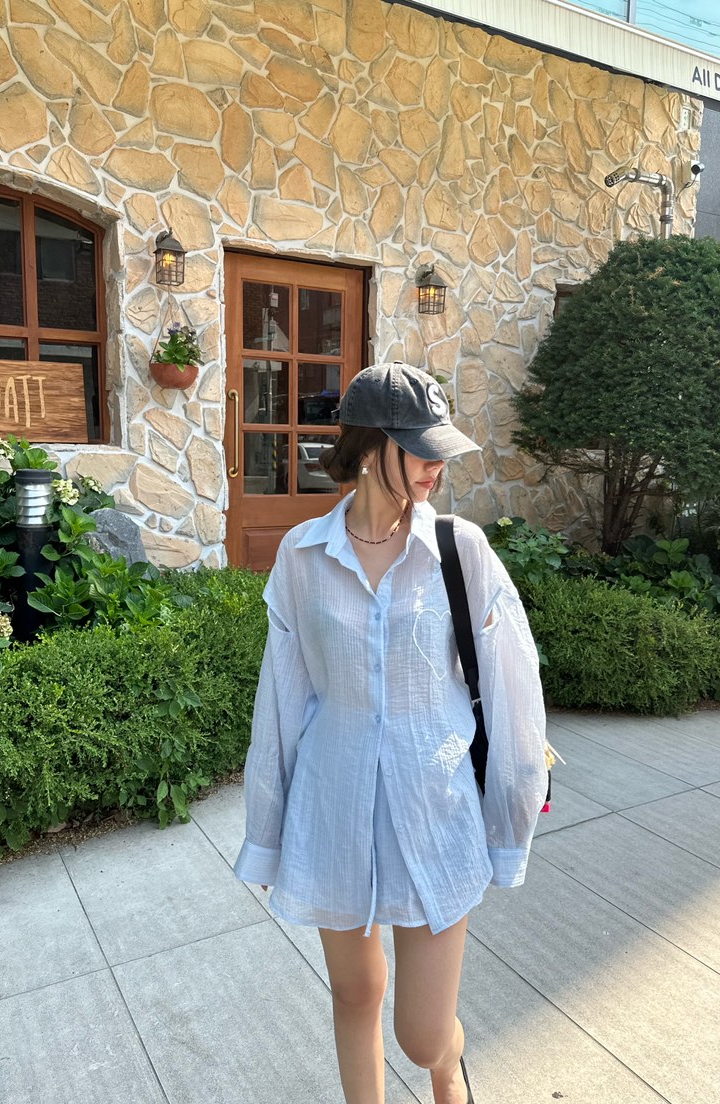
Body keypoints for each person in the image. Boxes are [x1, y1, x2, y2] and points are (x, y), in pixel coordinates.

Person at [234, 362, 547, 1104]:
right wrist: (268, 832)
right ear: (372, 448)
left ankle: (447, 1066)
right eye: (421, 449)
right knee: (355, 993)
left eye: (441, 450)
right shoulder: (302, 557)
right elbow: (282, 701)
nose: (437, 466)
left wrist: (509, 817)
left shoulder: (460, 552)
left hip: (434, 808)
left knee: (422, 1035)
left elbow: (513, 688)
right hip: (332, 805)